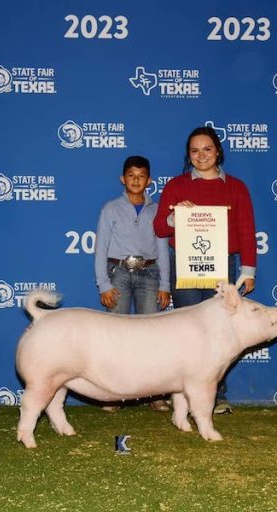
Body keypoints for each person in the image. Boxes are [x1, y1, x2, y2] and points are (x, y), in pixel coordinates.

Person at [153, 126, 257, 414]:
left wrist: (247, 271)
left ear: (218, 151)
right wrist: (177, 217)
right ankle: (182, 396)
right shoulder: (176, 185)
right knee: (187, 330)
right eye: (195, 150)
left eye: (207, 149)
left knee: (219, 332)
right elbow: (159, 227)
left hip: (224, 265)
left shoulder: (236, 187)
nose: (201, 155)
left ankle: (216, 395)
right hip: (184, 263)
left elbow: (246, 230)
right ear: (188, 154)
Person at [94, 155, 172, 412]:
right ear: (122, 179)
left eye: (141, 176)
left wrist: (165, 284)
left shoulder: (157, 210)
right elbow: (101, 248)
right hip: (118, 273)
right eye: (131, 175)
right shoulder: (110, 209)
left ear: (149, 180)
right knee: (115, 336)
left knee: (151, 337)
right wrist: (104, 284)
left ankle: (154, 394)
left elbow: (162, 249)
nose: (136, 180)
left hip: (149, 275)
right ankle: (113, 394)